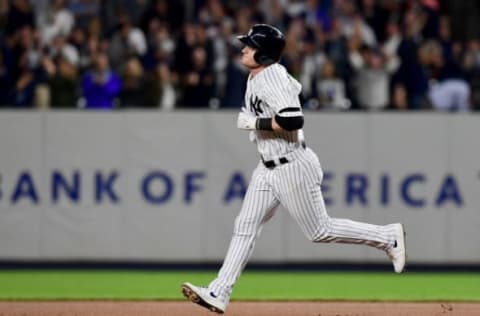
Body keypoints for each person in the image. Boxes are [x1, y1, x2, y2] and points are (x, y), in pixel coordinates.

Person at [181, 24, 406, 314]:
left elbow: (292, 120)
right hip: (268, 167)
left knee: (319, 230)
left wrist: (255, 123)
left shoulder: (270, 75)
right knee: (245, 227)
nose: (244, 48)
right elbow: (288, 99)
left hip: (291, 165)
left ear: (263, 53)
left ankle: (387, 236)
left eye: (249, 45)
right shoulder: (257, 76)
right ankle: (219, 292)